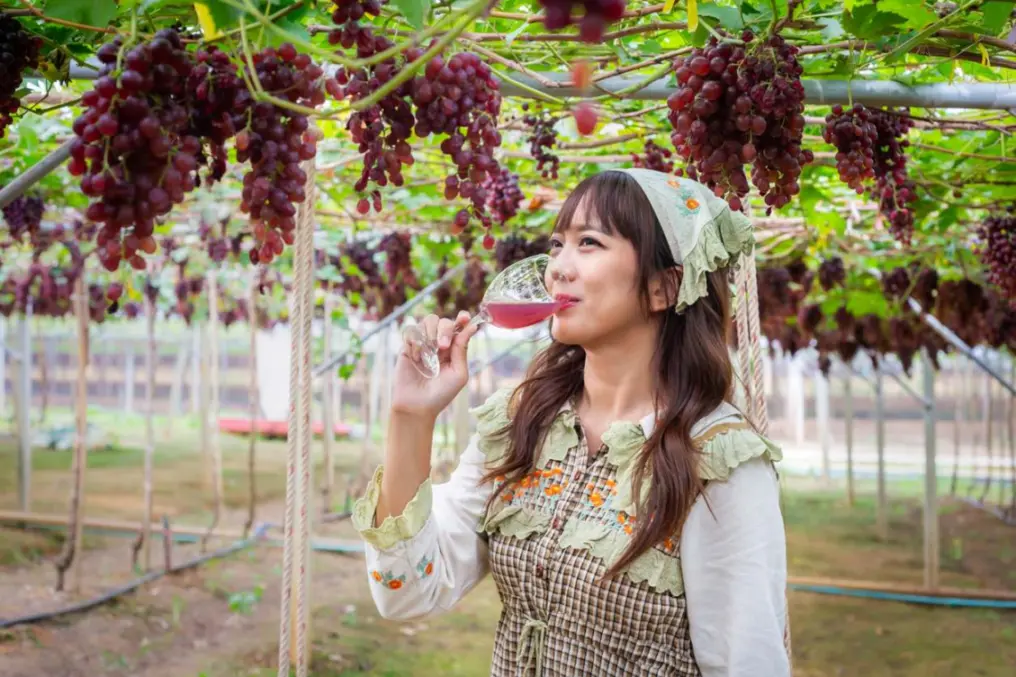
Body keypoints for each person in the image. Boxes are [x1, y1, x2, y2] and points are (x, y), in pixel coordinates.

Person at [351, 168, 790, 677]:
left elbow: (747, 662)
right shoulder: (524, 420)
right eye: (557, 243)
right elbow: (409, 592)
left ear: (662, 287)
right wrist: (412, 417)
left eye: (589, 242)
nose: (557, 266)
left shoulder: (717, 461)